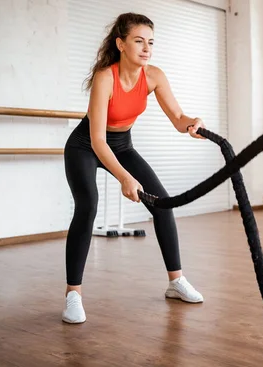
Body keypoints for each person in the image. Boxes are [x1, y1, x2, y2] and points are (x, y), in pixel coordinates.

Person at [61, 12, 205, 324]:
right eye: (138, 41)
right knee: (87, 208)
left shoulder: (153, 76)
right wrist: (125, 177)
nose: (146, 48)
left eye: (150, 42)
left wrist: (191, 123)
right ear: (121, 44)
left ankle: (175, 282)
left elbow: (178, 117)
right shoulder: (105, 77)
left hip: (122, 145)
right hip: (85, 146)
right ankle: (74, 294)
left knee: (162, 204)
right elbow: (98, 140)